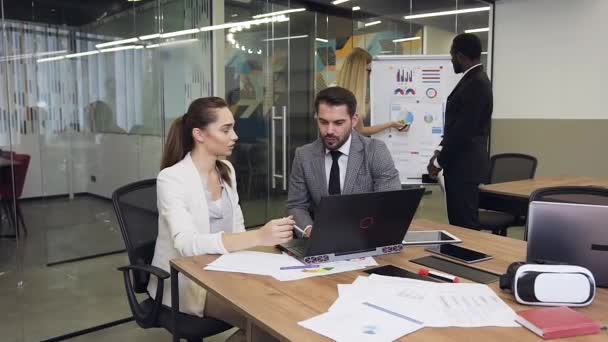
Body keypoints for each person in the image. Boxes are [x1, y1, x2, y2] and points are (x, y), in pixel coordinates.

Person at [148, 97, 294, 340]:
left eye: (233, 127)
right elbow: (186, 244)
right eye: (226, 129)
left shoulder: (226, 170)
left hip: (227, 272)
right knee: (269, 322)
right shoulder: (171, 179)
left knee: (283, 307)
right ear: (199, 134)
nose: (235, 136)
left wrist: (276, 242)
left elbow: (237, 229)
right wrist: (258, 236)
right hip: (190, 283)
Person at [287, 87, 402, 236]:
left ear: (354, 120)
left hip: (365, 237)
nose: (329, 130)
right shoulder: (304, 155)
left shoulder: (375, 151)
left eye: (338, 123)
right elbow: (296, 205)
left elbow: (390, 203)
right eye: (323, 122)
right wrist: (310, 231)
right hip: (319, 240)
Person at [427, 33, 493, 230]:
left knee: (464, 226)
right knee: (459, 222)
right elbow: (457, 126)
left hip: (465, 167)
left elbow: (463, 131)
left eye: (451, 55)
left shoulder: (476, 84)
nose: (450, 59)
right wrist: (439, 149)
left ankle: (467, 260)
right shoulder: (473, 80)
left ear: (461, 56)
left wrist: (439, 161)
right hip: (463, 166)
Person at [336, 47, 409, 135]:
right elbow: (361, 131)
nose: (371, 74)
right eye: (369, 70)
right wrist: (391, 124)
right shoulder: (351, 99)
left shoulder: (338, 93)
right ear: (359, 72)